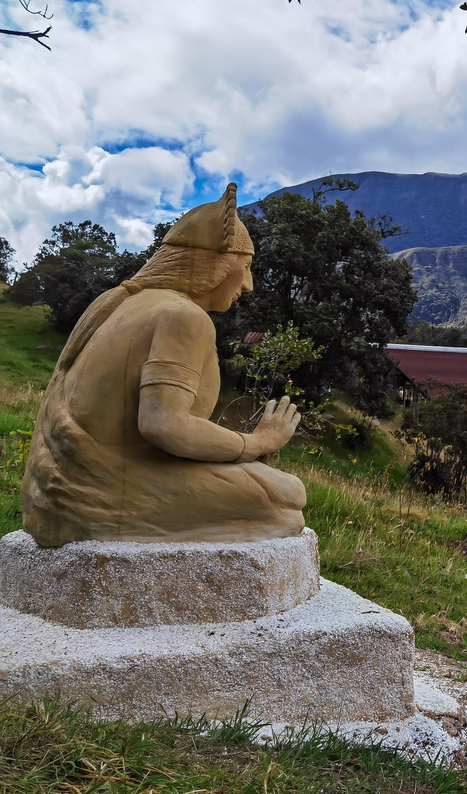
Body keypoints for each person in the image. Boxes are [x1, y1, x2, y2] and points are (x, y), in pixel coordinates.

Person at [22, 184, 306, 547]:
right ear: (218, 264)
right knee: (287, 496)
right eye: (246, 266)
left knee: (273, 488)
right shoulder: (183, 316)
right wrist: (255, 442)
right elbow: (163, 424)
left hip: (53, 493)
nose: (248, 284)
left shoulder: (121, 302)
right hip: (102, 492)